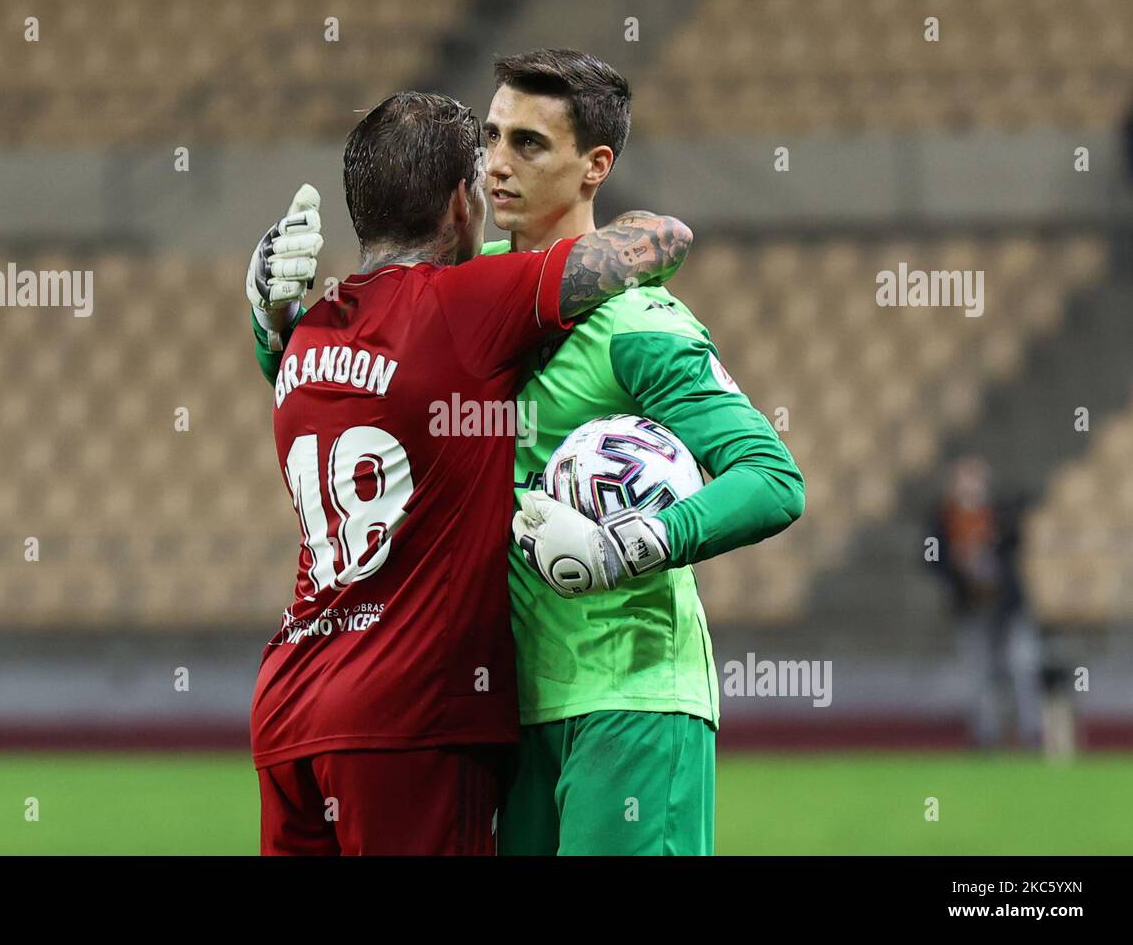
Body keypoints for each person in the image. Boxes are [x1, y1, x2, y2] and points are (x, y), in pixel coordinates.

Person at [250, 51, 805, 856]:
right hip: (506, 709)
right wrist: (270, 321)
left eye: (530, 145)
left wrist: (627, 545)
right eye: (491, 138)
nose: (498, 164)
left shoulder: (639, 324)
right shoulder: (458, 296)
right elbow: (341, 388)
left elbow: (772, 480)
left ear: (595, 167)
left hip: (629, 694)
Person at [930, 455, 1042, 749]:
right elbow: (930, 560)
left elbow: (1017, 537)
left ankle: (1030, 734)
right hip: (972, 607)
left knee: (1021, 665)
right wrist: (959, 566)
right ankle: (985, 736)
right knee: (978, 671)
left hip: (1008, 607)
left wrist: (988, 541)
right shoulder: (944, 520)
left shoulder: (999, 514)